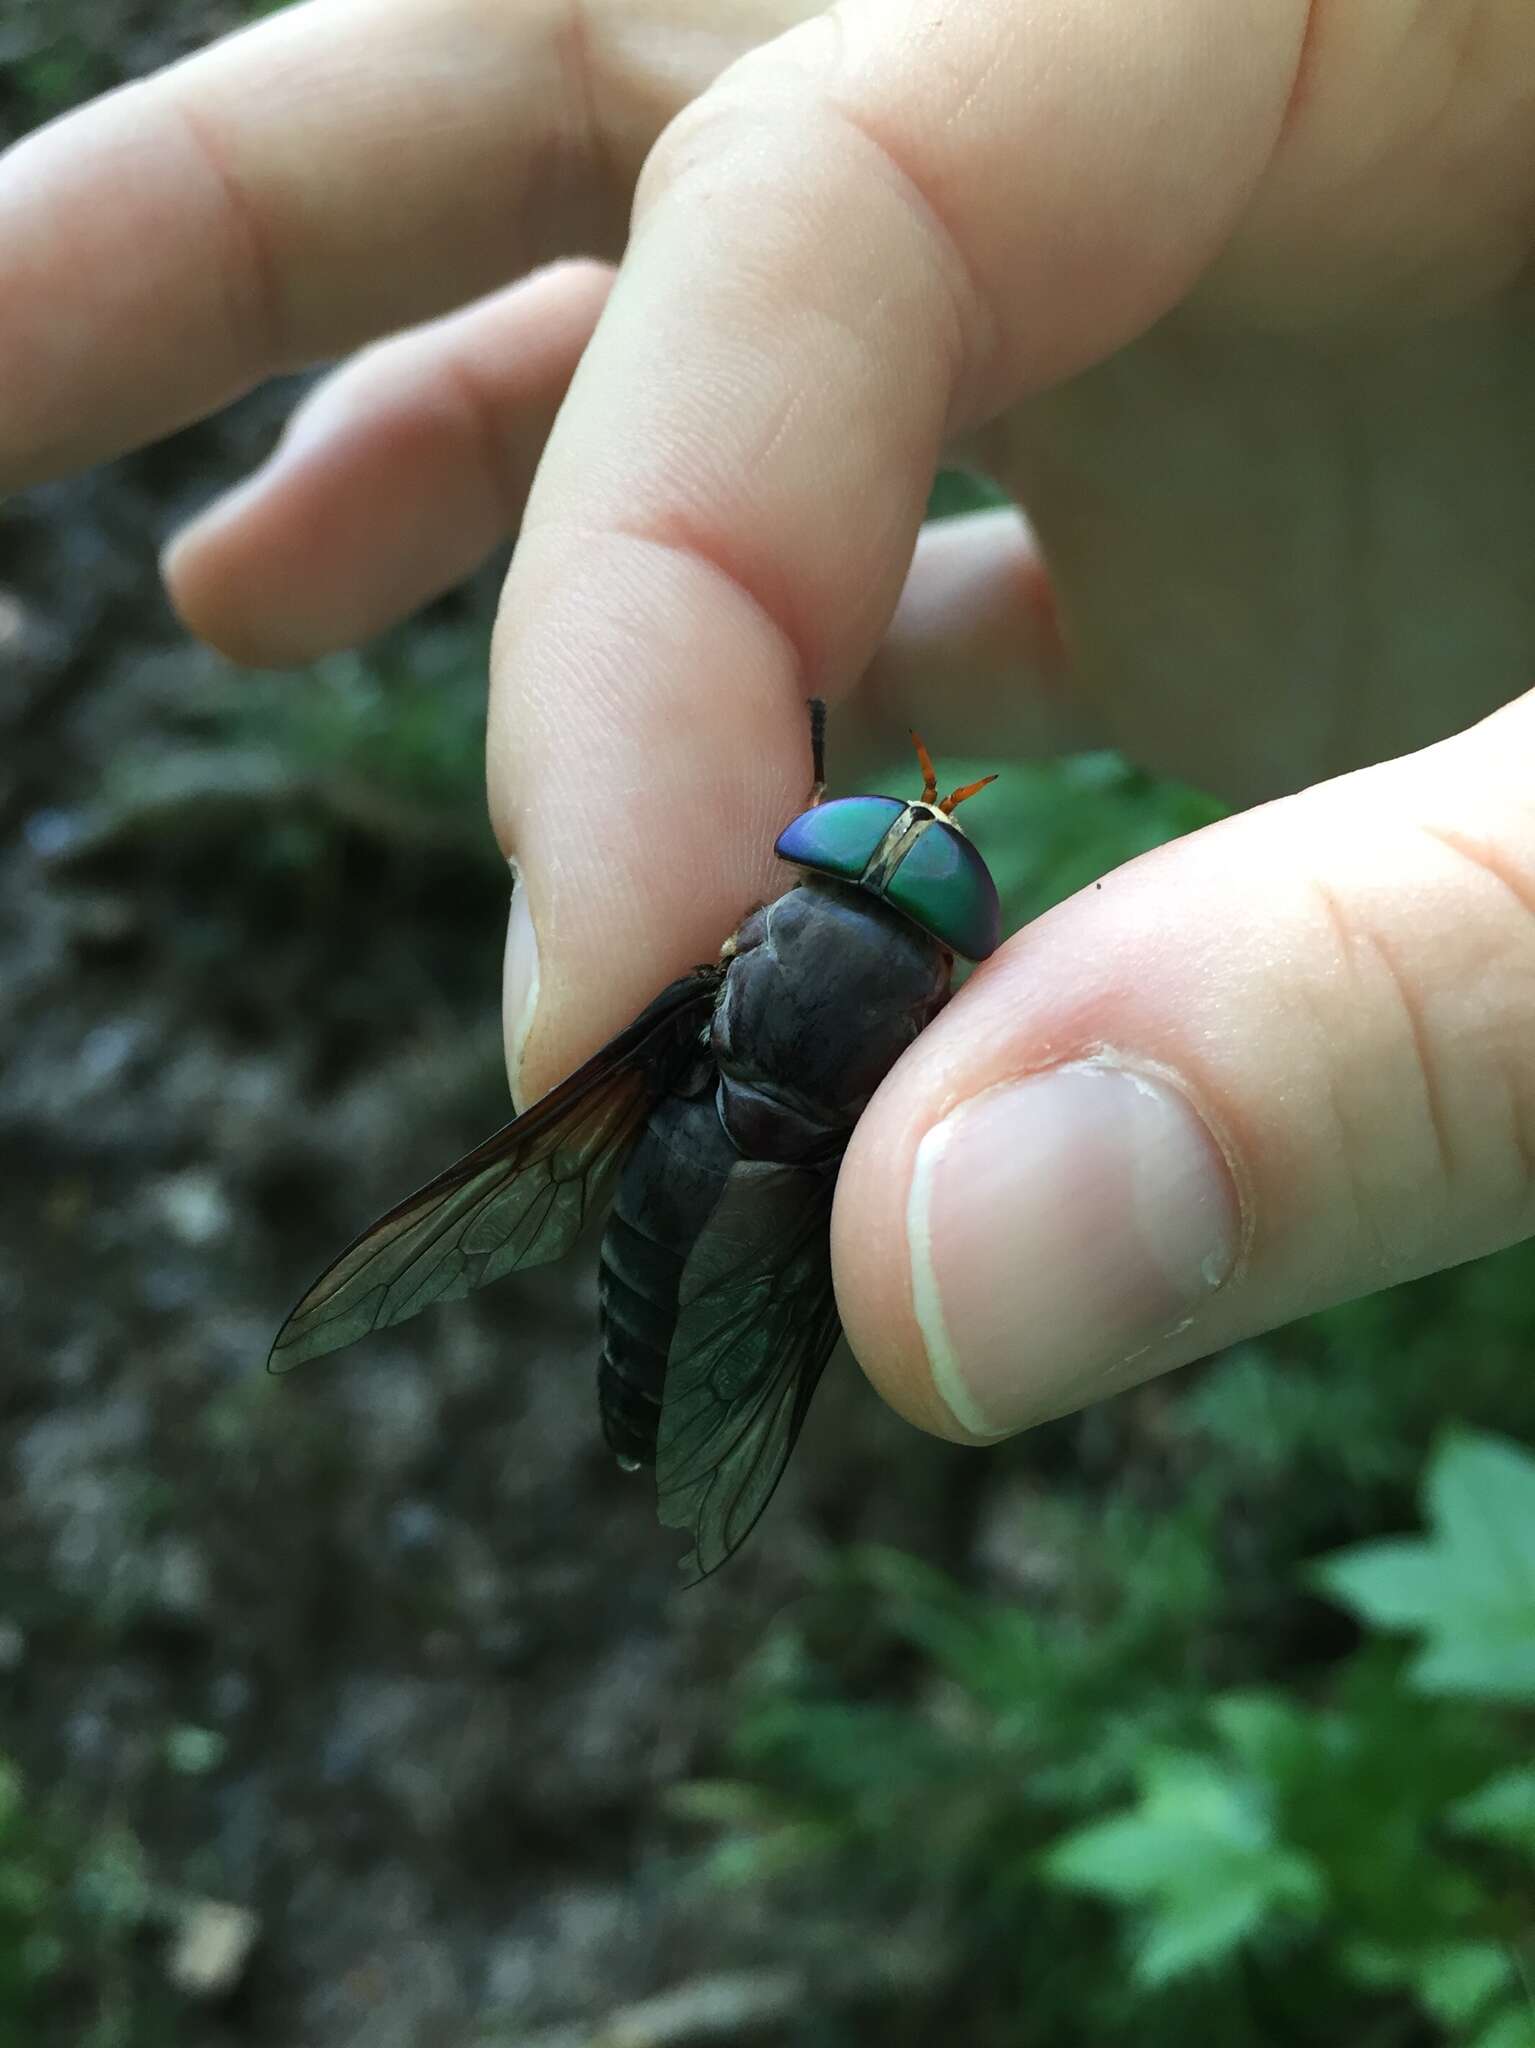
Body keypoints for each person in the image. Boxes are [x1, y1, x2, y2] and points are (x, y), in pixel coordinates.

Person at [4, 0, 1532, 1446]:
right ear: (948, 960)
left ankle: (650, 1406)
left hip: (689, 1135)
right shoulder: (874, 974)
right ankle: (669, 1422)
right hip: (751, 1167)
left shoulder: (736, 950)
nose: (910, 832)